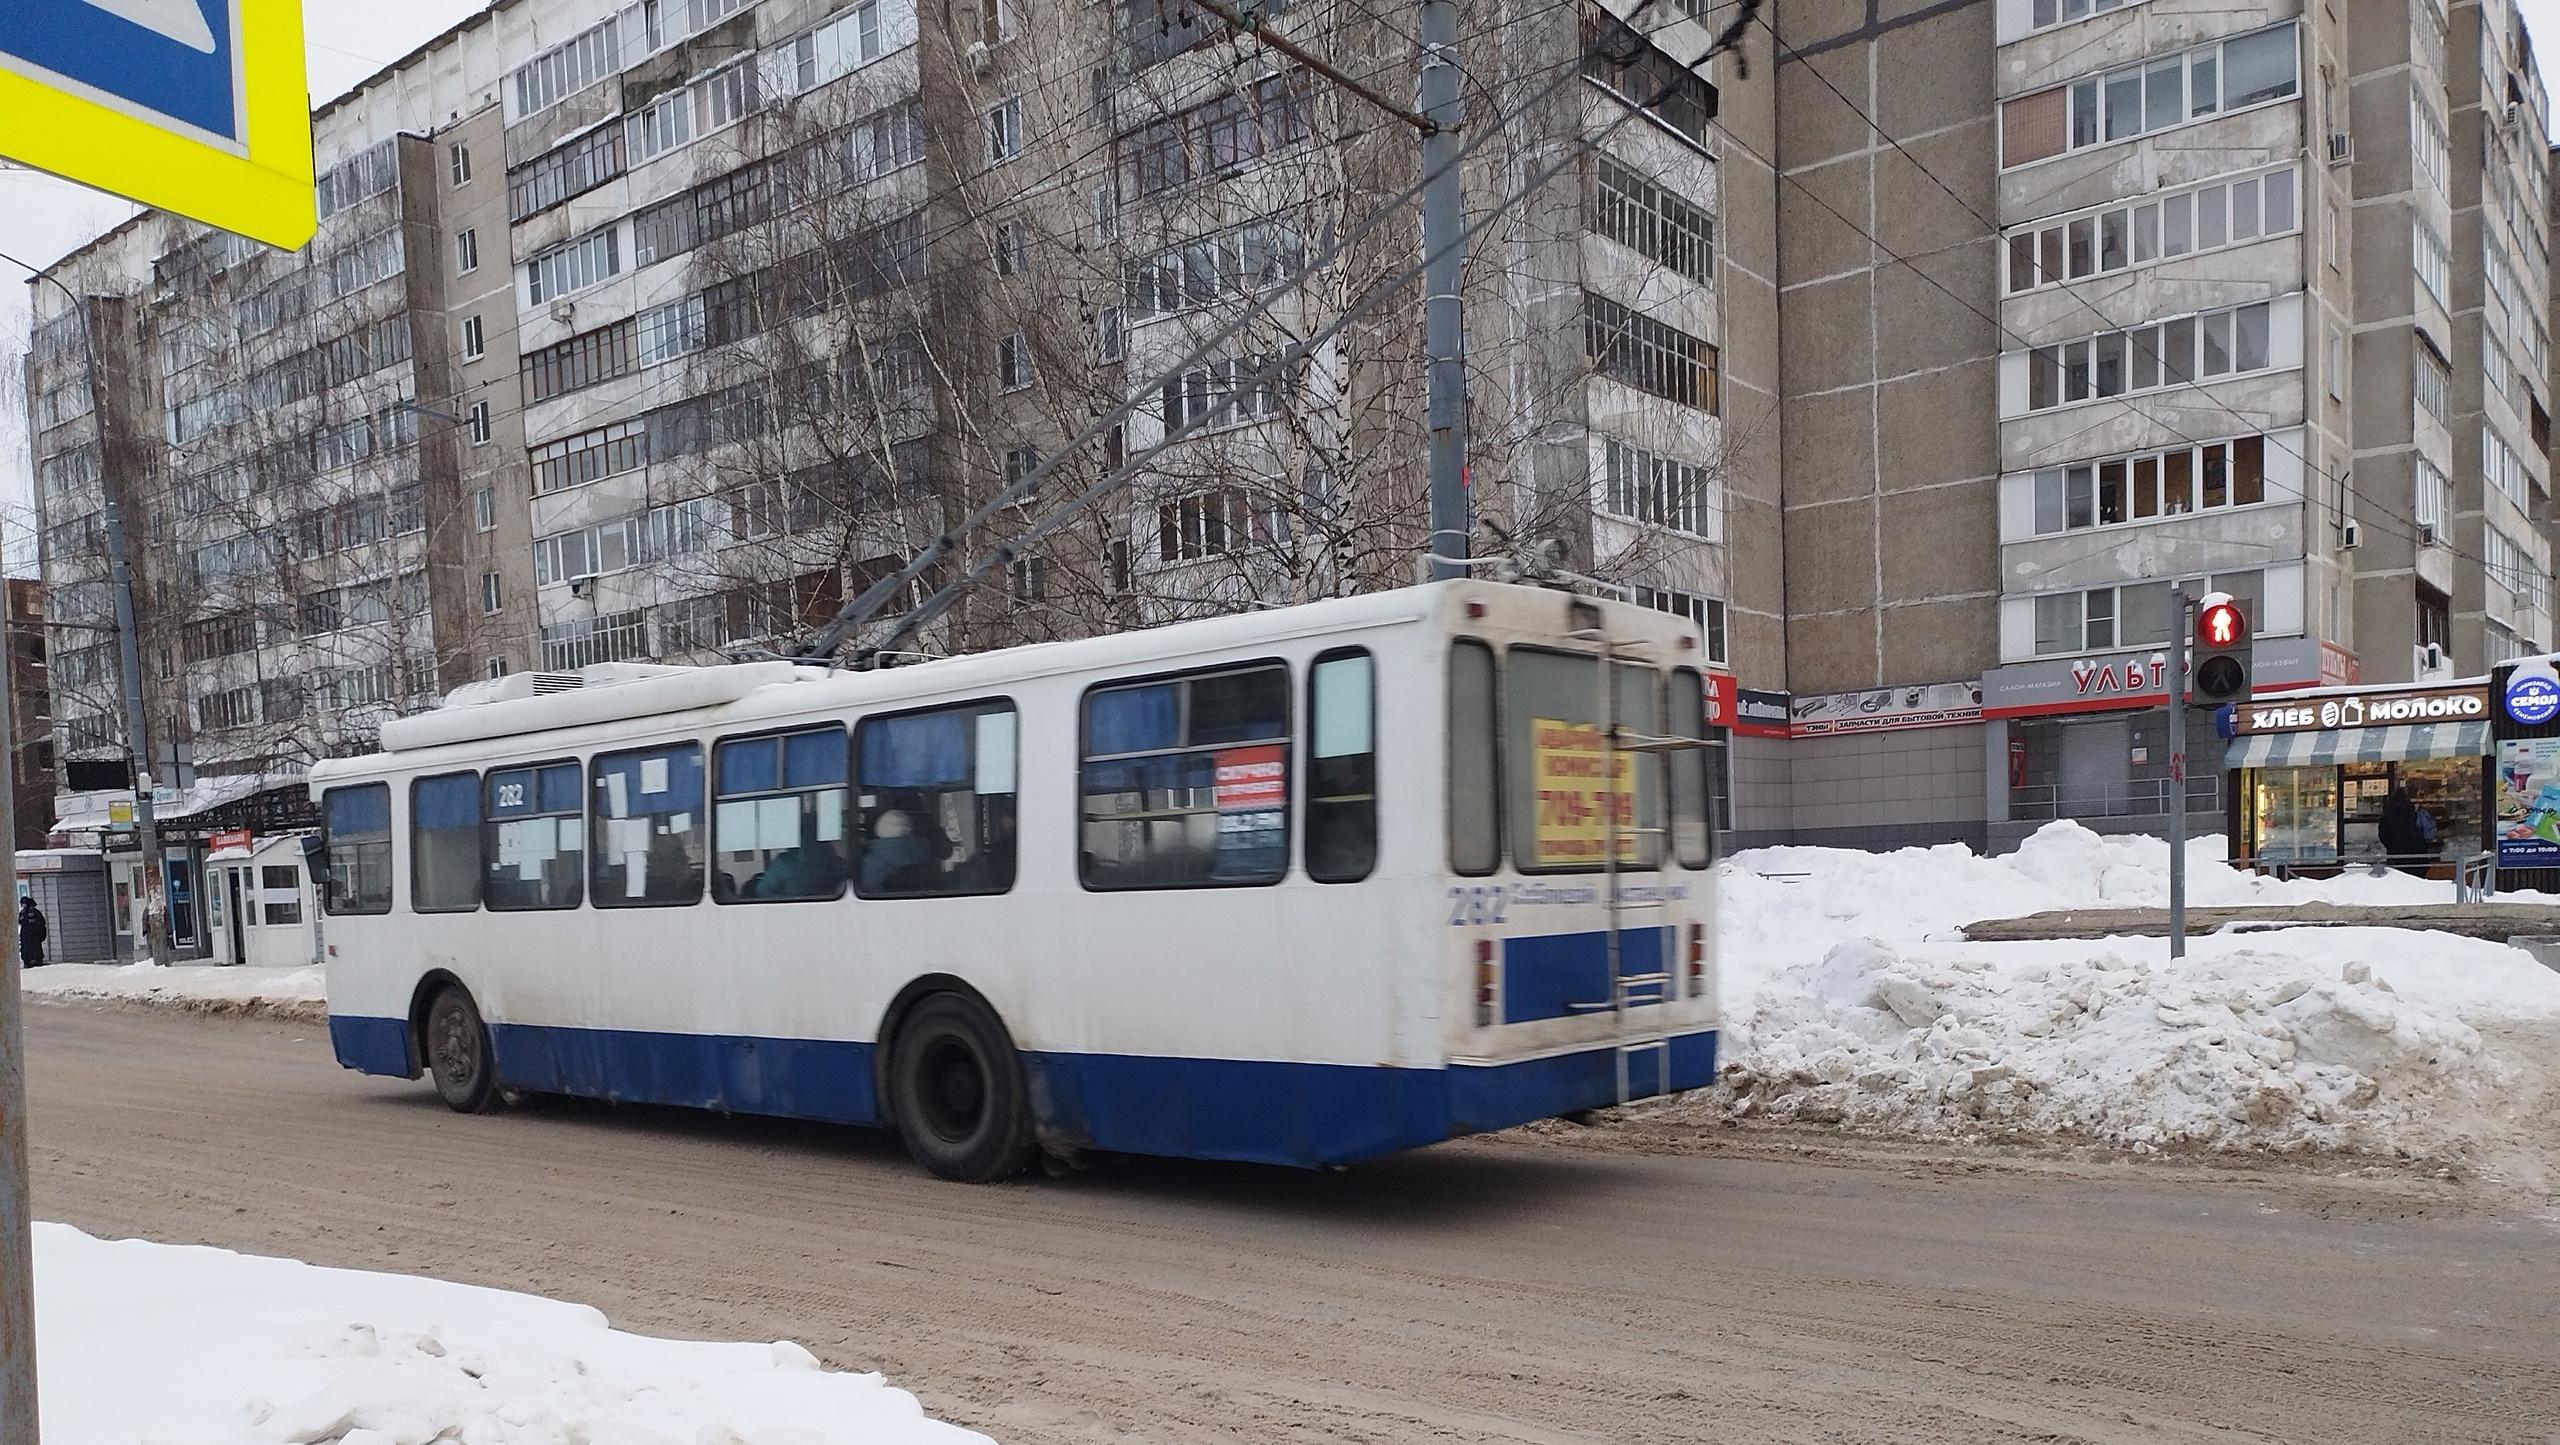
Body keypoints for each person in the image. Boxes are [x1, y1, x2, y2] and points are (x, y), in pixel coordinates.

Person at [2377, 785, 2430, 876]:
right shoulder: (2413, 813)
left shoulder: (2387, 815)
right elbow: (2422, 830)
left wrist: (2391, 845)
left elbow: (2383, 834)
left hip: (2396, 854)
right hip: (2415, 854)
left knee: (2398, 878)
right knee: (2418, 880)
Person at [17, 896, 46, 970]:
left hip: (34, 936)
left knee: (35, 949)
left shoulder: (35, 913)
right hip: (26, 937)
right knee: (26, 950)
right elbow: (20, 921)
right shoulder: (23, 913)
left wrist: (41, 934)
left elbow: (41, 924)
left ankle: (35, 961)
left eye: (24, 903)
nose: (23, 905)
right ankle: (28, 961)